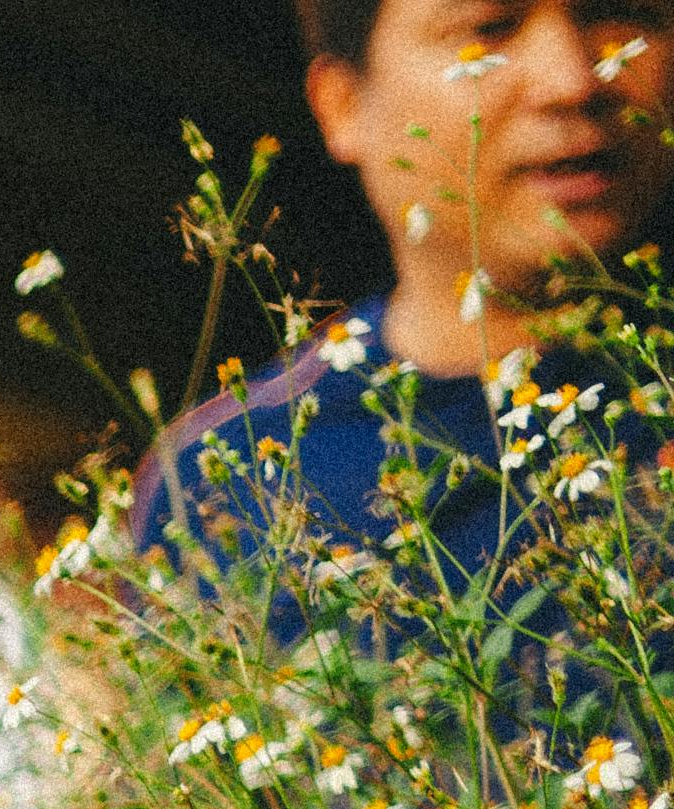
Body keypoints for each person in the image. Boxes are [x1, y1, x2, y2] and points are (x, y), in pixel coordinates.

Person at [128, 0, 671, 614]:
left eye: (622, 13)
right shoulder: (228, 474)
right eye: (484, 31)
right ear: (343, 104)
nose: (573, 79)